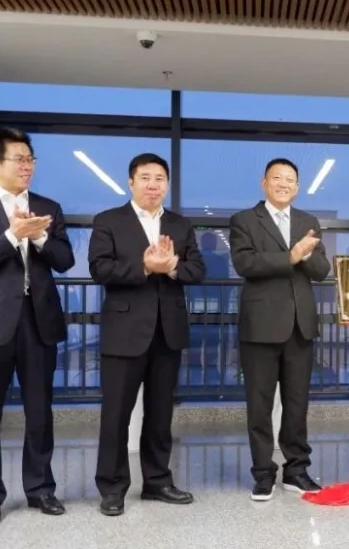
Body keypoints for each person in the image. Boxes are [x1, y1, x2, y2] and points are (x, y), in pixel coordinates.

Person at [0, 128, 74, 527]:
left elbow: (65, 260)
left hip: (39, 321)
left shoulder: (47, 207)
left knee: (40, 411)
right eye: (19, 159)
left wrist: (39, 238)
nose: (27, 166)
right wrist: (11, 236)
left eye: (30, 159)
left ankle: (40, 488)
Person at [89, 153, 205, 516]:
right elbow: (99, 268)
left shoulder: (180, 225)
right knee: (116, 415)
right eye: (145, 178)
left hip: (167, 332)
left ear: (167, 185)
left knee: (160, 415)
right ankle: (112, 488)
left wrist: (171, 267)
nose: (153, 185)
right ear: (131, 182)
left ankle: (157, 482)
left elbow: (198, 270)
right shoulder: (109, 220)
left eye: (159, 179)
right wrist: (143, 266)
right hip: (123, 332)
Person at [229, 158, 330, 501]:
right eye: (277, 178)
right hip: (260, 325)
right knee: (259, 405)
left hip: (300, 325)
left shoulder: (308, 221)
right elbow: (245, 263)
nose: (284, 184)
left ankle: (297, 470)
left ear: (297, 187)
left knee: (297, 403)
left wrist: (306, 255)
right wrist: (291, 256)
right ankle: (262, 473)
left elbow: (322, 270)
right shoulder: (244, 220)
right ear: (264, 183)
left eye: (290, 180)